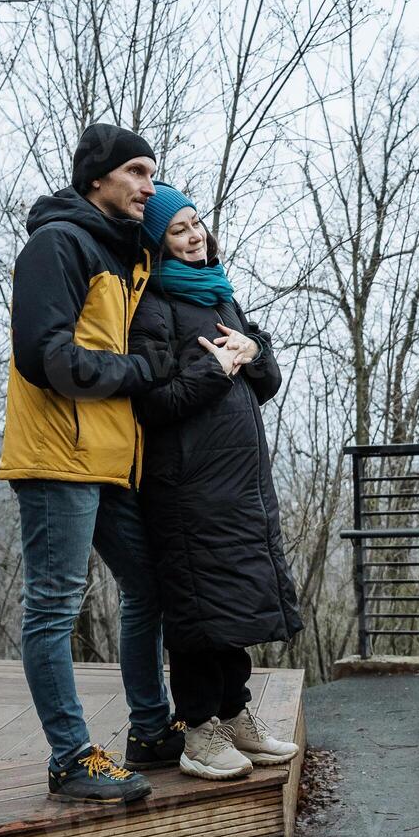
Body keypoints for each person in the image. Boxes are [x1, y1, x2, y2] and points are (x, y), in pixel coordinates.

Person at [0, 124, 188, 804]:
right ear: (96, 179)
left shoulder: (121, 253)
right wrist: (138, 370)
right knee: (52, 607)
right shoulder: (58, 244)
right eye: (137, 172)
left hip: (106, 458)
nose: (149, 186)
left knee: (151, 585)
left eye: (152, 173)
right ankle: (71, 757)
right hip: (57, 455)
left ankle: (152, 729)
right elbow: (44, 358)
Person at [129, 181, 303, 780]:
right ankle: (200, 732)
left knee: (231, 604)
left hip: (240, 488)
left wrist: (253, 351)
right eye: (177, 230)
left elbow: (266, 379)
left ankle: (235, 715)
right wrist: (216, 368)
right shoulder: (152, 306)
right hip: (186, 490)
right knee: (199, 612)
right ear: (155, 246)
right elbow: (150, 403)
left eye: (196, 223)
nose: (193, 235)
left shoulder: (221, 294)